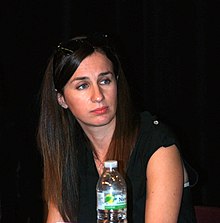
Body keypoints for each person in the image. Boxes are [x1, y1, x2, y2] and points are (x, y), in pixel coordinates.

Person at [37, 33, 198, 223]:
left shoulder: (157, 144)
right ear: (61, 99)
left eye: (105, 81)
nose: (98, 96)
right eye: (82, 86)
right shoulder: (68, 152)